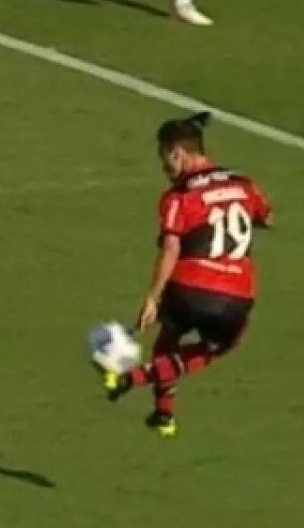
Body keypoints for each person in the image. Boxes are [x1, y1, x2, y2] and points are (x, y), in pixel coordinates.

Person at [100, 112, 273, 437]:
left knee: (169, 333)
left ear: (177, 152)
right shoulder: (244, 184)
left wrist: (152, 298)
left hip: (189, 286)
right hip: (236, 294)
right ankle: (152, 402)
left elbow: (170, 249)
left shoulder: (179, 197)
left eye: (164, 160)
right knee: (219, 345)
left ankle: (147, 394)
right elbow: (267, 216)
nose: (164, 169)